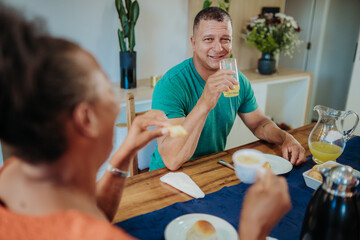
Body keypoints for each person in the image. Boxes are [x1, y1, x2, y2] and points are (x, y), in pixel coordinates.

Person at [0, 4, 290, 240]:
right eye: (106, 88)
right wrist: (254, 232)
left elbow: (93, 213)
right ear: (85, 118)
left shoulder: (13, 173)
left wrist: (126, 149)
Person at [150, 7, 306, 171]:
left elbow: (259, 123)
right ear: (194, 43)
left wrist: (285, 137)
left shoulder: (238, 81)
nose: (218, 48)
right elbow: (172, 159)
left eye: (225, 39)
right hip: (166, 176)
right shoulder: (170, 85)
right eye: (209, 39)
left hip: (212, 167)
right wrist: (205, 102)